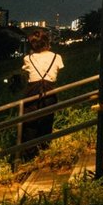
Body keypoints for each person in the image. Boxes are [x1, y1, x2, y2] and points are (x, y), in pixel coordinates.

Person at [18, 28, 65, 161]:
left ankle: (29, 155)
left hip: (32, 90)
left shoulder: (28, 58)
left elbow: (27, 72)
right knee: (47, 121)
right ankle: (44, 150)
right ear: (47, 41)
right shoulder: (57, 57)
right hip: (50, 90)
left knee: (30, 123)